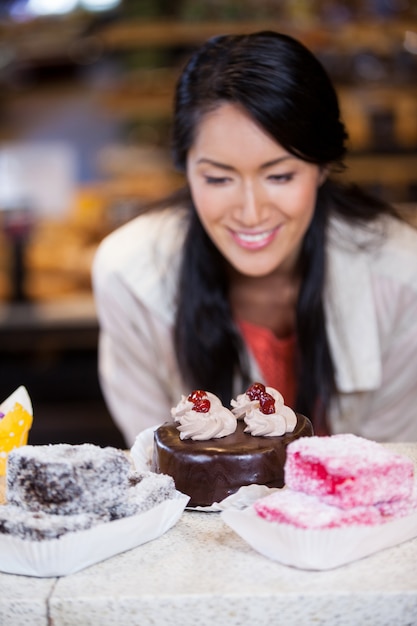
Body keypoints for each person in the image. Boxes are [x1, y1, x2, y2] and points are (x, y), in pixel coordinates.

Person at [92, 30, 417, 447]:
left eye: (280, 175)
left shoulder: (402, 276)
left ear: (321, 167)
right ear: (186, 168)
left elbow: (384, 472)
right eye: (218, 178)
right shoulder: (130, 275)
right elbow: (160, 469)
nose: (250, 212)